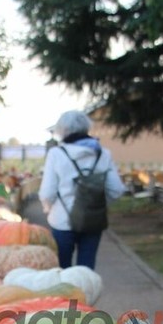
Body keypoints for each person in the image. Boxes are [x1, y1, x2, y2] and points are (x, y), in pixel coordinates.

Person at [39, 110, 125, 269]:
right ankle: (83, 287)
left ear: (62, 130)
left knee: (61, 271)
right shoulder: (103, 154)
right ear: (87, 127)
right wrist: (97, 204)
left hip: (62, 221)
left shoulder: (56, 154)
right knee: (85, 271)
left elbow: (47, 192)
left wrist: (48, 208)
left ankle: (66, 287)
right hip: (92, 220)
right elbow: (116, 189)